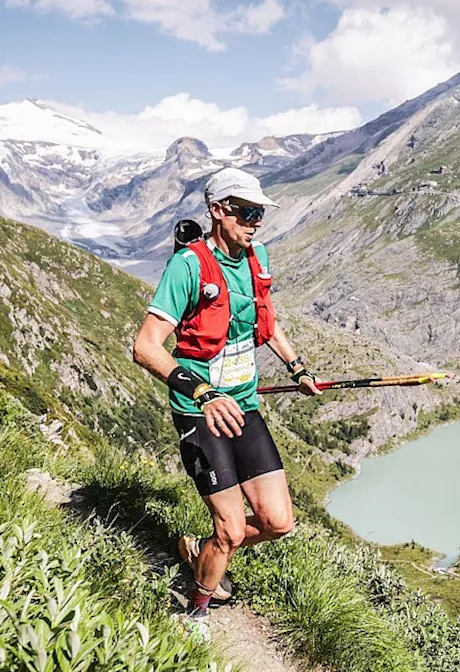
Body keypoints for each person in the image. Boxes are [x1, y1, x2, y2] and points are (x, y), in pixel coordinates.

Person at [132, 167, 320, 635]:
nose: (256, 221)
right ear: (217, 211)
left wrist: (297, 367)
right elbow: (145, 346)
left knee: (279, 522)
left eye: (260, 213)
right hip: (201, 411)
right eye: (246, 212)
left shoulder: (257, 257)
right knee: (232, 530)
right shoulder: (189, 266)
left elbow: (267, 322)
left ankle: (202, 549)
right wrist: (202, 391)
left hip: (244, 405)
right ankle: (196, 610)